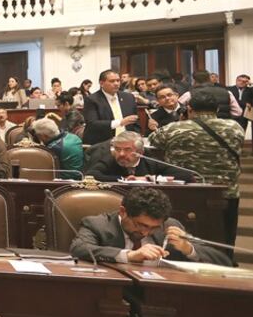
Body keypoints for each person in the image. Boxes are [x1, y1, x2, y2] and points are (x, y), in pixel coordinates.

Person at [150, 89, 243, 247]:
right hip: (225, 193)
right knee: (223, 238)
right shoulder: (234, 127)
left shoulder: (174, 128)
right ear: (218, 109)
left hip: (186, 192)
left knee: (181, 240)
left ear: (189, 109)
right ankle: (225, 263)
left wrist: (180, 121)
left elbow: (153, 140)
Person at [70, 187, 233, 266]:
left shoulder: (170, 226)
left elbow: (224, 262)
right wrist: (130, 255)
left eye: (153, 228)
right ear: (123, 212)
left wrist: (189, 249)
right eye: (140, 224)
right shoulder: (97, 224)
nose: (145, 232)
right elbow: (79, 249)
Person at [84, 130, 185, 182]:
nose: (121, 154)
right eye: (118, 149)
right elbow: (90, 175)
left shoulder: (150, 162)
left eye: (127, 150)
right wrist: (124, 179)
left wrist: (150, 179)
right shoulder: (110, 159)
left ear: (140, 152)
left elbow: (185, 175)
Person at [82, 69, 141, 145]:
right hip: (102, 143)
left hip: (127, 142)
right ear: (101, 83)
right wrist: (120, 122)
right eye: (112, 81)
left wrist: (137, 138)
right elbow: (92, 124)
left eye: (118, 80)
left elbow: (135, 122)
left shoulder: (128, 97)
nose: (116, 84)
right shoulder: (92, 99)